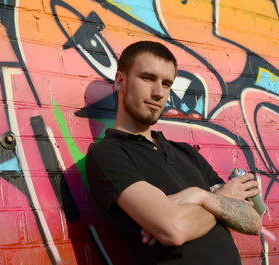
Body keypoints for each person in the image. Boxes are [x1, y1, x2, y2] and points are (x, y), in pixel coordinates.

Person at [86, 41, 262, 265]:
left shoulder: (186, 152)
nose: (159, 93)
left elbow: (252, 221)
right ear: (121, 81)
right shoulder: (108, 154)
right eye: (148, 78)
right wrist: (214, 198)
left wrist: (199, 197)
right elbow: (174, 230)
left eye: (167, 83)